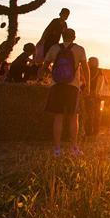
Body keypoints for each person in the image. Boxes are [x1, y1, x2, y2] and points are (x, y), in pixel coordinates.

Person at [41, 28, 89, 156]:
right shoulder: (79, 49)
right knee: (74, 117)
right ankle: (74, 148)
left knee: (58, 117)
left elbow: (44, 66)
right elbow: (85, 68)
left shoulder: (54, 48)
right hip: (73, 87)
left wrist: (42, 76)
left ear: (62, 36)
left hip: (57, 86)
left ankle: (57, 149)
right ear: (74, 37)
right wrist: (87, 86)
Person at [82, 56, 109, 138]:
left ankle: (88, 132)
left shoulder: (86, 70)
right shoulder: (100, 71)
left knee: (89, 113)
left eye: (89, 61)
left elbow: (83, 82)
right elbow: (106, 83)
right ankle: (95, 132)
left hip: (89, 94)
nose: (88, 62)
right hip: (98, 96)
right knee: (97, 114)